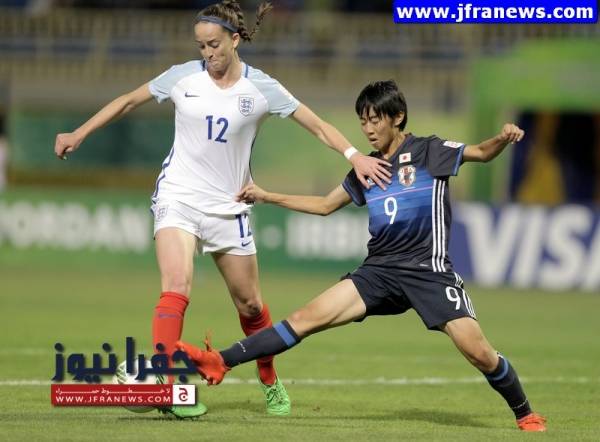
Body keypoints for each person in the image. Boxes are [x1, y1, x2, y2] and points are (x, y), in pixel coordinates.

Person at [53, 1, 391, 419]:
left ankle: (269, 378)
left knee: (250, 306)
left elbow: (318, 125)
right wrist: (80, 133)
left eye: (213, 44)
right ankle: (168, 387)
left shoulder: (262, 88)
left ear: (234, 40)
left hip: (229, 207)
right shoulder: (183, 77)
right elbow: (127, 101)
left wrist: (355, 156)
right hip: (178, 196)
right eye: (201, 46)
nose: (207, 53)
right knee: (176, 285)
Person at [176, 80, 547, 432]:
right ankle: (221, 360)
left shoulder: (428, 151)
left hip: (427, 271)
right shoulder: (365, 168)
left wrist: (502, 138)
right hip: (379, 272)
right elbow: (325, 205)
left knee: (478, 352)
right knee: (304, 318)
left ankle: (525, 412)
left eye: (375, 119)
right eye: (363, 121)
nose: (368, 129)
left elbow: (481, 152)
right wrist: (267, 195)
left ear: (397, 117)